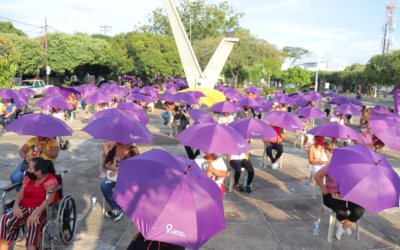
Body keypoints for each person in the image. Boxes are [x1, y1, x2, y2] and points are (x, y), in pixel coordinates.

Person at [0, 157, 60, 250]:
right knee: (5, 219)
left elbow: (49, 200)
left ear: (38, 171)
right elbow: (20, 194)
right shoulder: (28, 178)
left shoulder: (50, 180)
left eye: (30, 168)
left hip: (41, 208)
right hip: (25, 206)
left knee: (33, 223)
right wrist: (16, 206)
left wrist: (35, 213)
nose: (27, 170)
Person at [314, 166, 365, 240]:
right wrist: (324, 189)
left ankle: (343, 227)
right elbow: (317, 176)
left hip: (346, 195)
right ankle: (346, 226)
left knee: (359, 210)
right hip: (330, 194)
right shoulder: (331, 166)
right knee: (342, 212)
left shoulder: (352, 168)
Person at [101, 142, 139, 221]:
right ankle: (116, 208)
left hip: (128, 176)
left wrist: (118, 171)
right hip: (114, 176)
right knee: (104, 186)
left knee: (122, 186)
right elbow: (106, 164)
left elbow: (135, 166)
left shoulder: (133, 150)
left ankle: (122, 206)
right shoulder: (113, 149)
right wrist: (111, 167)